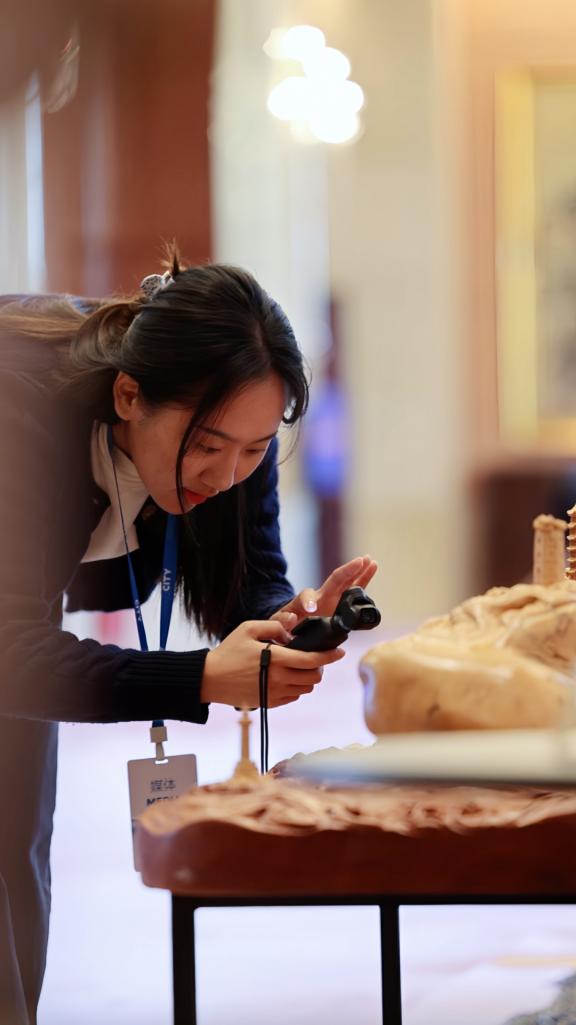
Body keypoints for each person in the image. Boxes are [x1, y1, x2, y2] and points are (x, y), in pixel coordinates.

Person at [0, 250, 377, 1024]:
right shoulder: (20, 416)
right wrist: (198, 677)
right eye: (208, 446)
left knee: (17, 857)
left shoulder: (235, 428)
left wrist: (292, 624)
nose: (227, 472)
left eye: (255, 448)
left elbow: (250, 580)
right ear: (128, 395)